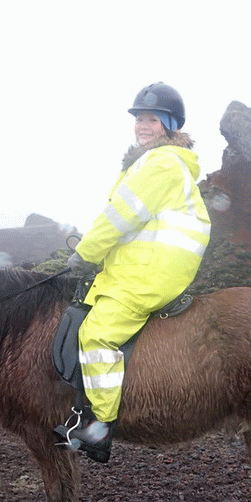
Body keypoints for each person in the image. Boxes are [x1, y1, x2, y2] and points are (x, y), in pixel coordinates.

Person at [53, 82, 212, 463]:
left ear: (170, 125)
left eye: (152, 119)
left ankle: (100, 428)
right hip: (138, 267)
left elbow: (120, 217)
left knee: (97, 335)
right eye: (139, 118)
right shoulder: (152, 162)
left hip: (151, 271)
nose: (143, 125)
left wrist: (85, 254)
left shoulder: (161, 163)